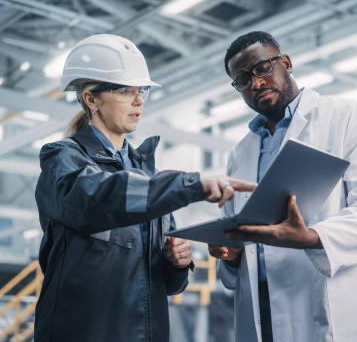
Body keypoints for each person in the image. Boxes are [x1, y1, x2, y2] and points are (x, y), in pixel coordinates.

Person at [33, 34, 255, 342]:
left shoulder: (147, 175)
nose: (138, 101)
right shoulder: (63, 160)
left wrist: (175, 263)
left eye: (142, 91)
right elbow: (99, 198)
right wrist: (191, 184)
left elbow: (168, 285)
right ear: (91, 99)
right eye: (126, 91)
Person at [208, 31, 357, 341]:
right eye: (243, 79)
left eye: (262, 68)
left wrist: (312, 237)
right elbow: (239, 237)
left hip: (333, 307)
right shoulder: (239, 154)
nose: (256, 83)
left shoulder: (347, 117)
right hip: (264, 315)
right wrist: (229, 256)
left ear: (286, 63)